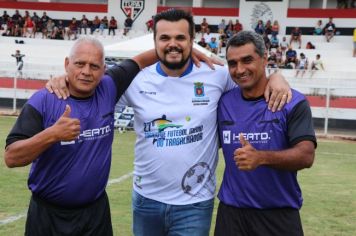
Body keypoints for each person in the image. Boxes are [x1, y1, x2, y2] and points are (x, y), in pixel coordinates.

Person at [47, 9, 291, 236]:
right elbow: (91, 90)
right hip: (146, 201)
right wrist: (62, 79)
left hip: (194, 203)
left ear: (192, 40)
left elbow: (253, 80)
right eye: (164, 38)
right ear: (155, 43)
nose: (172, 44)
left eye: (180, 38)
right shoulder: (137, 80)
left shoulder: (217, 74)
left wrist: (277, 77)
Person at [4, 37, 158, 236]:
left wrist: (187, 49)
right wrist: (52, 134)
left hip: (95, 215)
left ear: (104, 70)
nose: (86, 71)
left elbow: (143, 59)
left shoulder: (109, 86)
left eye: (94, 66)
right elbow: (11, 157)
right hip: (47, 217)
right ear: (67, 64)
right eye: (79, 64)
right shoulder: (43, 100)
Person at [215, 30, 316, 236]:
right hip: (231, 215)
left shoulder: (292, 102)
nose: (239, 69)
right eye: (232, 63)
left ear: (264, 58)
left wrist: (260, 157)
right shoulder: (223, 102)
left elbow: (306, 155)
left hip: (278, 216)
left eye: (247, 60)